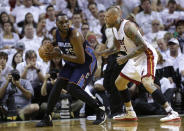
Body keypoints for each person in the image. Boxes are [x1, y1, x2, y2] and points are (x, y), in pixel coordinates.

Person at [98, 6, 180, 122]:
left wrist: (125, 57)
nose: (105, 19)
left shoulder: (128, 27)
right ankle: (130, 113)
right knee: (119, 83)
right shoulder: (114, 29)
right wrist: (103, 53)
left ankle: (171, 112)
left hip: (146, 55)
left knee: (147, 83)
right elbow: (117, 47)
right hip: (135, 56)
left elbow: (143, 46)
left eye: (107, 17)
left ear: (115, 17)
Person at [36, 13, 106, 127]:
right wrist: (49, 47)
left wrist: (61, 55)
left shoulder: (75, 35)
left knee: (73, 88)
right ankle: (47, 117)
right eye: (61, 23)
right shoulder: (56, 33)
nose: (64, 24)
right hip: (71, 60)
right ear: (56, 24)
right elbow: (58, 42)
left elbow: (81, 59)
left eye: (66, 22)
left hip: (86, 61)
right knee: (58, 84)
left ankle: (99, 108)